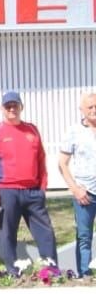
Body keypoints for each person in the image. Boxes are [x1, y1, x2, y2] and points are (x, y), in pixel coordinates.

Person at [0, 90, 57, 269]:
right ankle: (13, 271)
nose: (12, 109)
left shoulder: (31, 129)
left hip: (33, 191)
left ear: (21, 107)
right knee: (8, 233)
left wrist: (42, 187)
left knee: (46, 232)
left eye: (15, 105)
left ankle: (51, 269)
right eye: (8, 106)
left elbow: (41, 159)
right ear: (2, 109)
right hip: (7, 191)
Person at [58, 92, 96, 276]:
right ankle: (84, 273)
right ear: (82, 109)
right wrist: (75, 189)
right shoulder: (74, 132)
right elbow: (62, 164)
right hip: (85, 193)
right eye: (90, 107)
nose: (94, 110)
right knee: (84, 236)